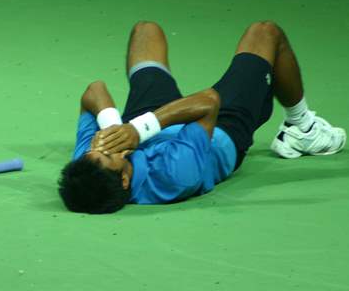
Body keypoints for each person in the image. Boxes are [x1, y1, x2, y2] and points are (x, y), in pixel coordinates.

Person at [58, 21, 346, 214]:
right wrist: (136, 130)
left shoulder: (89, 164)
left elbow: (94, 91)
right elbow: (208, 102)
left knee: (146, 32)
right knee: (266, 33)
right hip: (218, 129)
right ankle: (303, 128)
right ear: (124, 180)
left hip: (149, 127)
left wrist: (114, 128)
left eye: (94, 150)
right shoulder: (174, 175)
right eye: (107, 154)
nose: (100, 147)